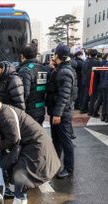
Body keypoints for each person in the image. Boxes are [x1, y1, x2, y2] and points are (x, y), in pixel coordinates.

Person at [0, 96, 61, 204]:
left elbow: (13, 138)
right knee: (12, 166)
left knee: (21, 173)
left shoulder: (5, 116)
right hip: (28, 143)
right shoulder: (2, 112)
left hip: (36, 145)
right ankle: (15, 191)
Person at [46, 43, 76, 179]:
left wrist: (58, 114)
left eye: (54, 54)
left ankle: (69, 168)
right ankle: (56, 163)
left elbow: (64, 95)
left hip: (62, 113)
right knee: (56, 140)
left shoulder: (65, 72)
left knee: (65, 141)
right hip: (57, 111)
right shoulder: (61, 69)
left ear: (57, 55)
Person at [17, 43, 48, 124]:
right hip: (40, 110)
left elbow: (23, 95)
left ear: (22, 56)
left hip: (29, 112)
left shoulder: (25, 70)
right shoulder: (43, 68)